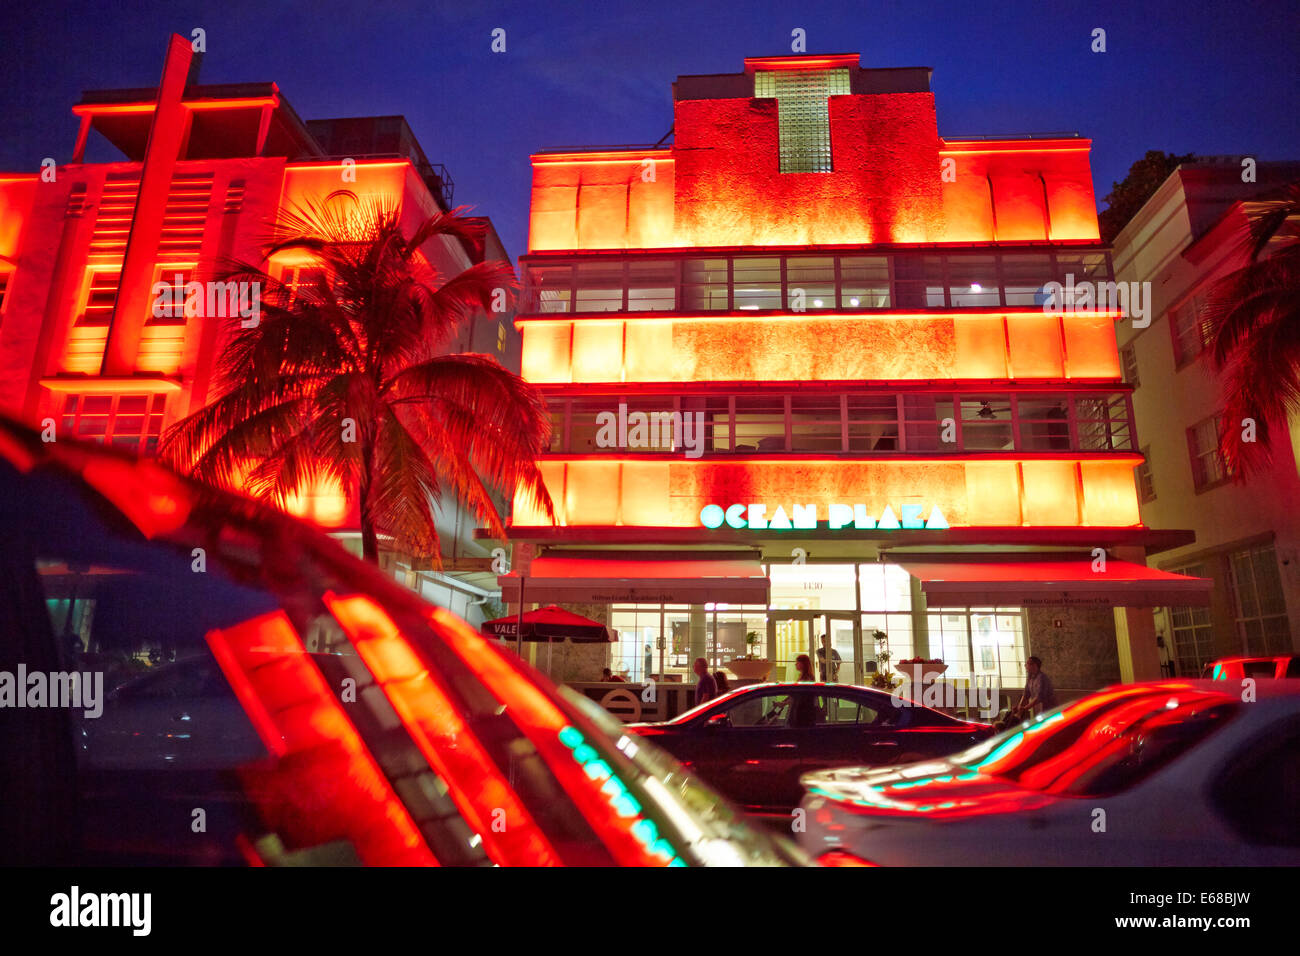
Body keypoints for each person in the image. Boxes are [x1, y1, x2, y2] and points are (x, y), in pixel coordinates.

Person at [1013, 655, 1057, 720]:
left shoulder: (1042, 678)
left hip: (1048, 708)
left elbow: (1039, 697)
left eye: (1027, 664)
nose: (1025, 666)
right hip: (1038, 707)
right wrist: (1019, 706)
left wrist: (1025, 708)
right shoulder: (1030, 677)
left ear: (1034, 665)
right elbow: (1026, 693)